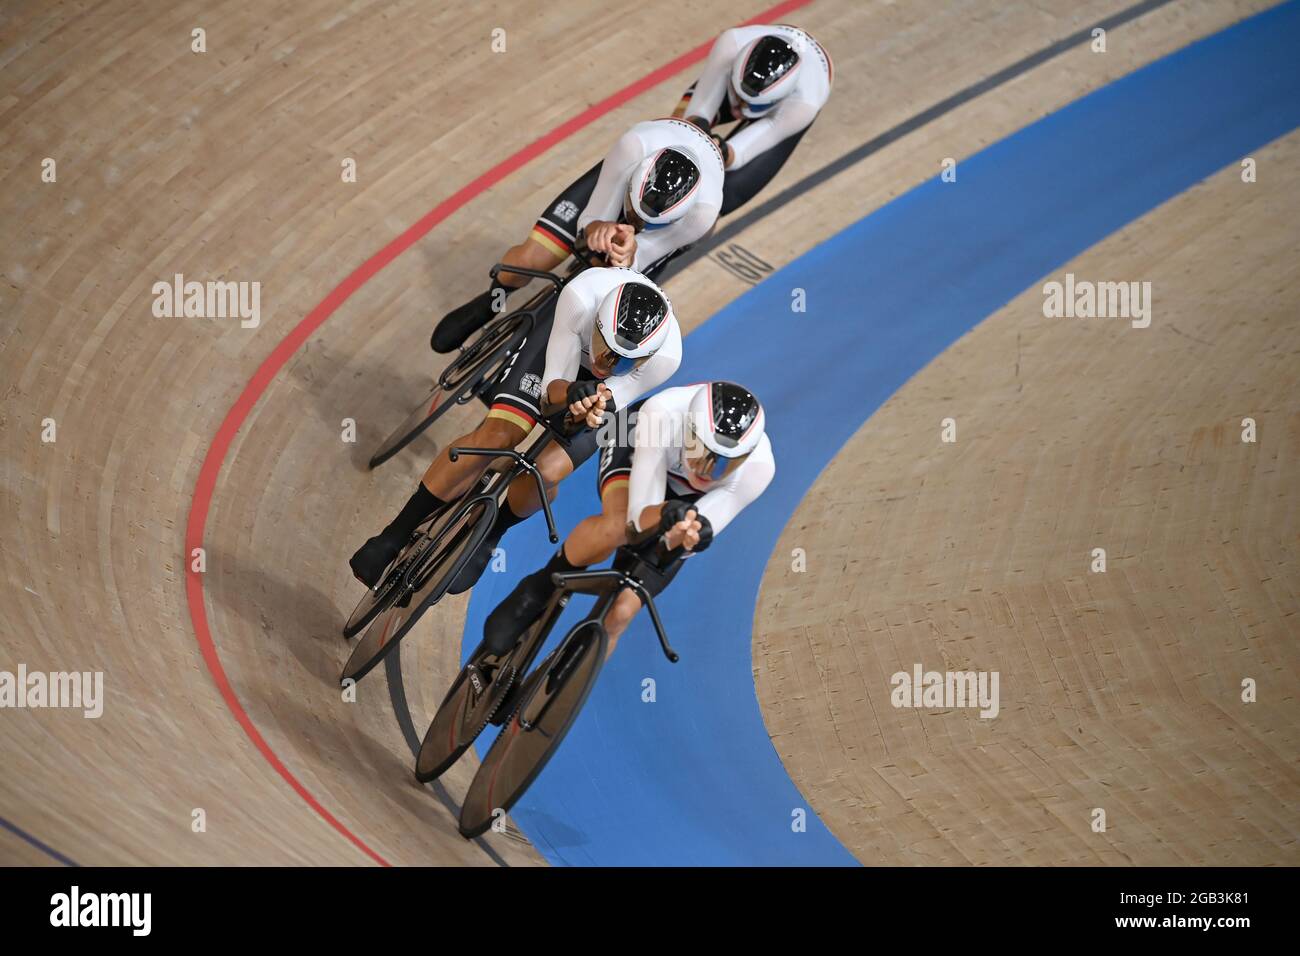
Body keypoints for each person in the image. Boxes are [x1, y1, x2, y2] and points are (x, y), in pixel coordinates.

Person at [350, 267, 683, 594]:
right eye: (605, 348)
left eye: (622, 362)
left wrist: (592, 404)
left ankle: (493, 531)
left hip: (603, 393)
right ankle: (394, 535)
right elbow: (551, 389)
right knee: (497, 437)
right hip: (559, 358)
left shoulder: (665, 358)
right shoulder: (581, 297)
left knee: (547, 470)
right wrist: (569, 394)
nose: (605, 364)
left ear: (643, 359)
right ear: (597, 322)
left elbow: (609, 399)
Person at [482, 381, 775, 663]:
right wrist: (662, 513)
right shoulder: (662, 412)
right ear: (689, 429)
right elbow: (637, 521)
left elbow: (680, 544)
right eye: (700, 451)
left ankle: (560, 684)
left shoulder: (757, 470)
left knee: (621, 612)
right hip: (636, 445)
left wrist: (682, 539)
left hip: (686, 501)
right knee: (619, 526)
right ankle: (538, 588)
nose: (705, 470)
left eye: (723, 463)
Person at [430, 117, 724, 353]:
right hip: (618, 183)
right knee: (531, 259)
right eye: (633, 210)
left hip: (671, 222)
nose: (632, 219)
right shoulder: (634, 146)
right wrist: (597, 228)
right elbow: (593, 215)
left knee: (609, 286)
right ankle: (492, 300)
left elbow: (641, 259)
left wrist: (628, 253)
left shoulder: (702, 215)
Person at [672, 24, 831, 215]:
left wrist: (723, 152)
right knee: (675, 133)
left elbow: (741, 152)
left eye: (751, 106)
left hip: (783, 114)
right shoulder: (730, 45)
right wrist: (695, 127)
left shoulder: (803, 106)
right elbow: (696, 116)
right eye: (738, 97)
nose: (739, 111)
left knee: (722, 198)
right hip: (738, 70)